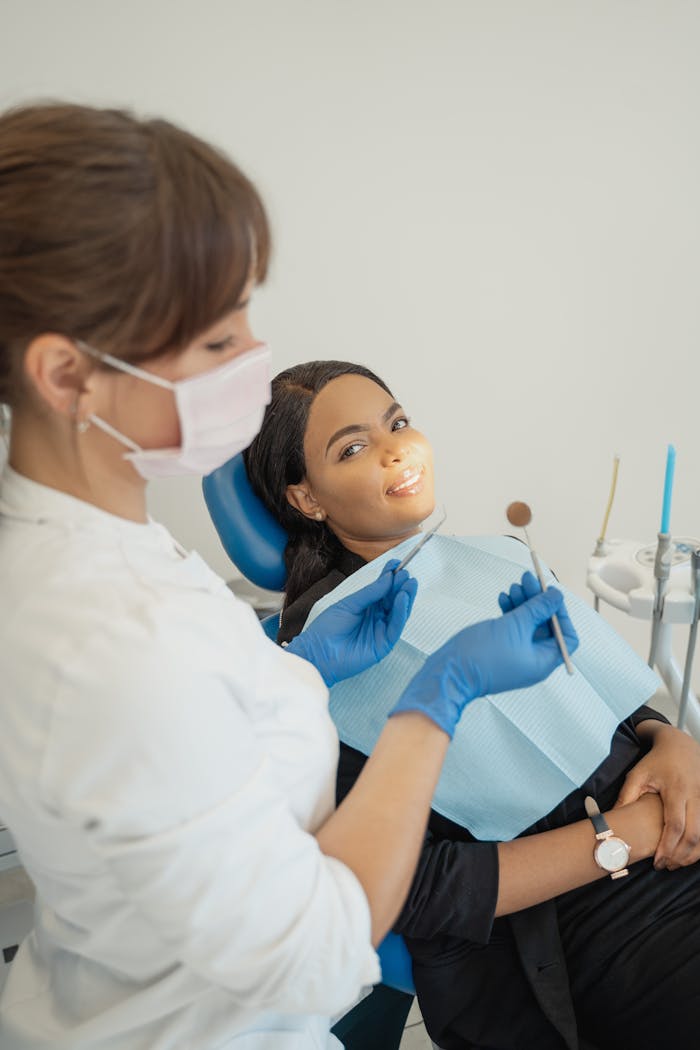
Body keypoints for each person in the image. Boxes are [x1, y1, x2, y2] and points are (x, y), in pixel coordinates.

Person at [0, 102, 581, 1050]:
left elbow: (192, 759)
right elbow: (312, 952)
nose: (254, 361)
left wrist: (303, 670)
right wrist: (436, 700)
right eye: (217, 339)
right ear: (68, 376)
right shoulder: (106, 641)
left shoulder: (100, 541)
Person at [244, 359, 700, 1050]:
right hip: (588, 923)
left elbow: (605, 698)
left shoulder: (495, 555)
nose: (397, 447)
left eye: (397, 423)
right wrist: (629, 834)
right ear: (307, 500)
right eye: (353, 446)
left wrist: (670, 741)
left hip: (671, 828)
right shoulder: (321, 666)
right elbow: (417, 889)